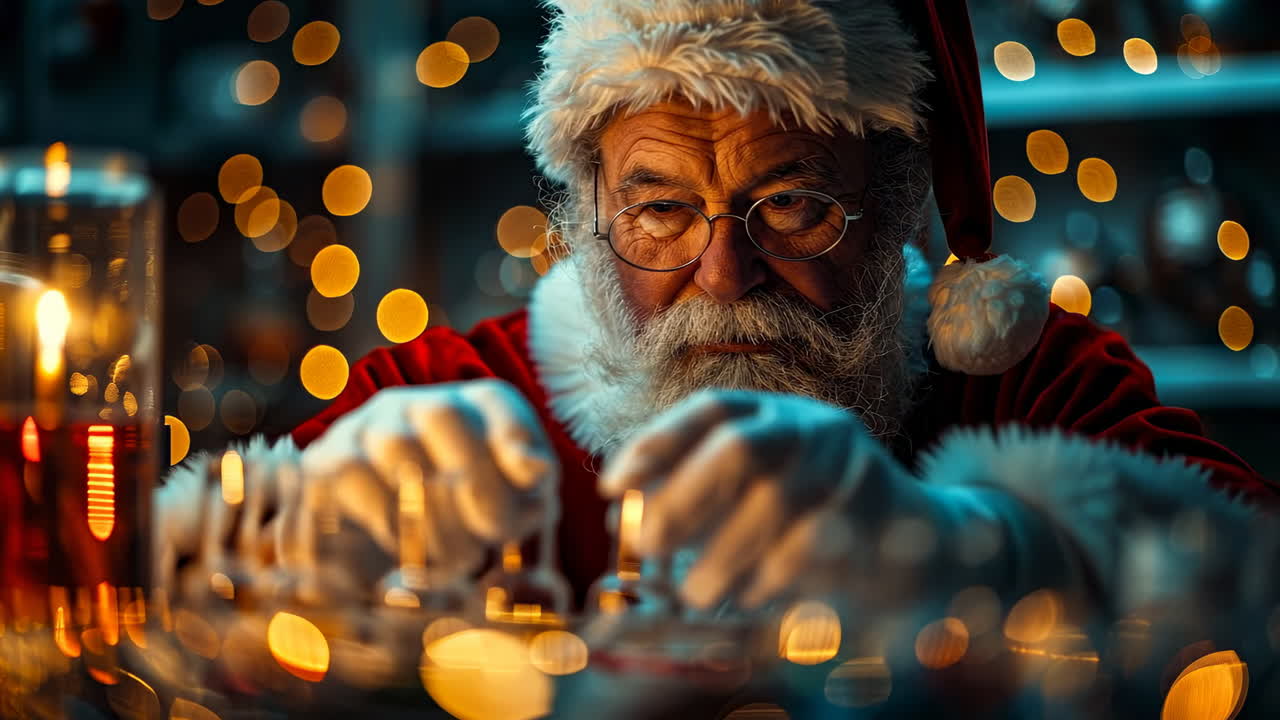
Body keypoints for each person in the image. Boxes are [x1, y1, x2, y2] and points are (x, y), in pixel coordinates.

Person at [158, 0, 1276, 645]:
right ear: (588, 217)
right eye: (657, 209)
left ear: (892, 212)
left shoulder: (1020, 384)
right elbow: (143, 593)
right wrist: (285, 537)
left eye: (789, 202)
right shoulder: (452, 395)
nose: (723, 271)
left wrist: (1001, 550)